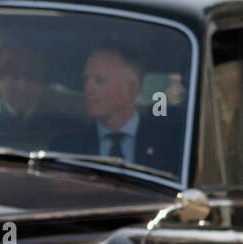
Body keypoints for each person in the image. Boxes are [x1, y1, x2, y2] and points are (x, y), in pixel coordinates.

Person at [52, 44, 180, 169]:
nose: (88, 89)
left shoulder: (169, 147)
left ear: (131, 90)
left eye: (99, 80)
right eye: (86, 80)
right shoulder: (67, 149)